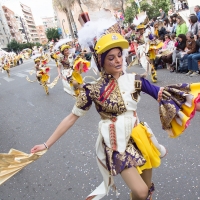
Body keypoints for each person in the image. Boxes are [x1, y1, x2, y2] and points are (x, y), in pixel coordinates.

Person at [31, 24, 200, 200]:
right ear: (101, 61)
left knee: (146, 189)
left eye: (119, 55)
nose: (118, 60)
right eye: (111, 58)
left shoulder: (135, 80)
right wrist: (46, 144)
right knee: (141, 191)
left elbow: (167, 95)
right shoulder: (93, 90)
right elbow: (71, 118)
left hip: (139, 137)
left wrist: (195, 103)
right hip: (116, 144)